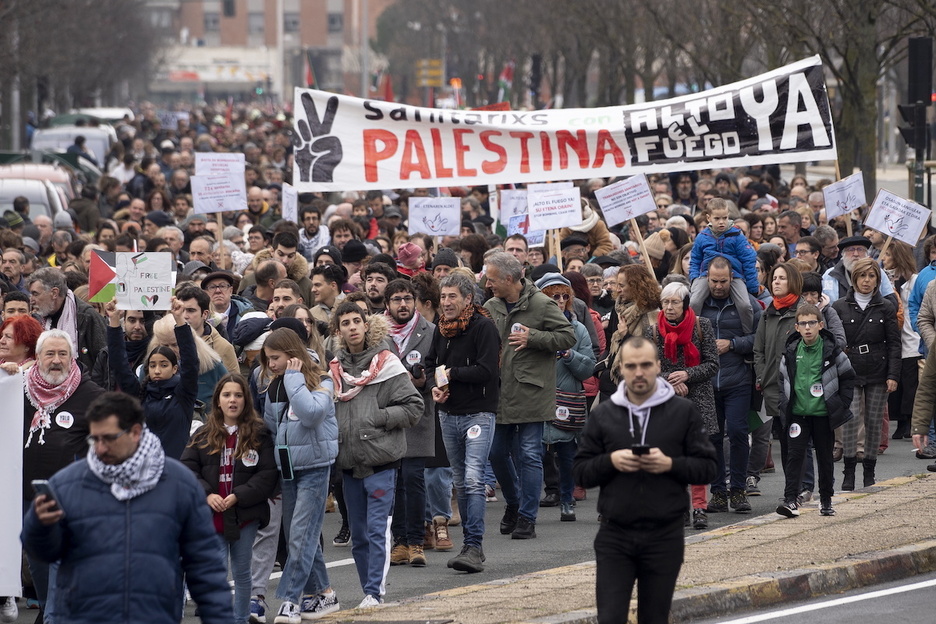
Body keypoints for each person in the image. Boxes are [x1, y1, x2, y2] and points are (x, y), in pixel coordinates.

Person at [21, 392, 234, 623]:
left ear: (135, 432)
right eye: (94, 439)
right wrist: (39, 526)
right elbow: (45, 553)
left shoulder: (179, 484)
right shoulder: (68, 484)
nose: (100, 448)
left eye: (109, 438)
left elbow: (204, 567)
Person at [573, 337, 717, 624]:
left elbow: (708, 467)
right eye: (631, 366)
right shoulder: (603, 414)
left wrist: (669, 464)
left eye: (646, 365)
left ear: (658, 367)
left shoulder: (682, 412)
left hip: (664, 534)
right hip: (615, 534)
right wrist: (610, 461)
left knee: (654, 617)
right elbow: (580, 472)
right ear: (621, 370)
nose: (639, 372)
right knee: (610, 617)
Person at [329, 302, 423, 607]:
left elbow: (414, 407)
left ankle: (374, 593)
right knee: (358, 535)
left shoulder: (387, 363)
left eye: (357, 321)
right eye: (346, 323)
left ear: (366, 325)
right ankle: (366, 590)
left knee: (377, 528)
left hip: (381, 459)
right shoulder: (334, 370)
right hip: (347, 461)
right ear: (338, 330)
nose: (353, 327)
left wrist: (378, 417)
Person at [483, 252, 576, 540]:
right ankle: (514, 502)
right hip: (499, 392)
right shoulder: (490, 306)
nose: (488, 284)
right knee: (496, 452)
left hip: (532, 391)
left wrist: (533, 338)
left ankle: (527, 517)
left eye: (492, 279)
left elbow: (568, 336)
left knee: (529, 455)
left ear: (510, 279)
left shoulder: (541, 304)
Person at [181, 374, 279, 624]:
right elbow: (188, 469)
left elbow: (267, 475)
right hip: (211, 515)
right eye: (226, 395)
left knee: (242, 570)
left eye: (238, 395)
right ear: (217, 401)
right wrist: (208, 495)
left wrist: (238, 496)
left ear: (246, 400)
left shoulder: (259, 435)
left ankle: (240, 618)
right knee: (214, 572)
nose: (232, 400)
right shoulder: (203, 434)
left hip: (244, 515)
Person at [21, 329, 105, 619]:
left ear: (72, 358)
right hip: (25, 496)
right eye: (50, 354)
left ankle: (54, 616)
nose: (56, 361)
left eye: (62, 354)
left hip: (70, 499)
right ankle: (47, 609)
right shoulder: (18, 388)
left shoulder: (91, 394)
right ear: (37, 357)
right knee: (37, 562)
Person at [259, 328, 341, 622]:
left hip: (316, 468)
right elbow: (271, 428)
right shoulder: (273, 386)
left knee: (301, 536)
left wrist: (293, 379)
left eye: (276, 358)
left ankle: (291, 600)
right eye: (268, 359)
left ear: (292, 356)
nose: (271, 365)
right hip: (288, 469)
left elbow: (310, 414)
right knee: (299, 536)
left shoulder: (322, 380)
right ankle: (324, 594)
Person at [425, 272, 500, 572]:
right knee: (459, 481)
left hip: (479, 413)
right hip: (448, 414)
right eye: (443, 297)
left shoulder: (484, 327)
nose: (446, 302)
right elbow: (431, 364)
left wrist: (452, 374)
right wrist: (435, 384)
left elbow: (486, 370)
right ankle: (472, 546)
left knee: (472, 479)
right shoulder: (440, 330)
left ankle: (473, 545)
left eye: (452, 296)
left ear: (468, 298)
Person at [647, 281, 719, 529]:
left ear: (685, 304)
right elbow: (647, 370)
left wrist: (687, 375)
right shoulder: (653, 331)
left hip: (698, 398)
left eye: (674, 302)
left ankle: (699, 507)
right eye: (665, 302)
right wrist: (670, 379)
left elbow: (712, 364)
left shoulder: (702, 326)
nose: (668, 307)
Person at [776, 305, 855, 518]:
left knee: (825, 458)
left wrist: (840, 405)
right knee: (794, 456)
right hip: (798, 414)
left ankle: (826, 500)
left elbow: (848, 377)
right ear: (797, 327)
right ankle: (791, 500)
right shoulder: (791, 351)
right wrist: (785, 406)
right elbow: (781, 379)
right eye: (803, 323)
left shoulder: (832, 350)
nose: (808, 328)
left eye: (812, 323)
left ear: (821, 325)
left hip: (823, 415)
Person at [698, 256, 762, 513]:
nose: (718, 286)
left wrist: (732, 344)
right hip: (707, 382)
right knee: (712, 437)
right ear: (706, 278)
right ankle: (718, 492)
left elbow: (760, 338)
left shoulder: (747, 306)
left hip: (738, 379)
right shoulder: (700, 305)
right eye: (714, 281)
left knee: (737, 432)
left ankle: (738, 490)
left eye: (724, 281)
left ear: (732, 278)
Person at [830, 258, 900, 489]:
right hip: (851, 369)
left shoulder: (886, 306)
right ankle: (849, 471)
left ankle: (869, 470)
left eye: (871, 276)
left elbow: (893, 343)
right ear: (854, 278)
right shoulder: (840, 306)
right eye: (862, 276)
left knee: (873, 422)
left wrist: (893, 375)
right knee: (850, 420)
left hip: (878, 370)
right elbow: (835, 343)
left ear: (878, 280)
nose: (866, 281)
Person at [383, 279, 437, 568]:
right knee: (395, 483)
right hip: (389, 417)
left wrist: (424, 382)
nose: (402, 304)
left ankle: (417, 541)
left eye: (407, 298)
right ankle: (400, 542)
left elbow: (439, 370)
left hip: (419, 415)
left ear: (415, 301)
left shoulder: (431, 331)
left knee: (414, 480)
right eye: (396, 299)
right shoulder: (377, 334)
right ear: (387, 304)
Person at [534, 272, 595, 522]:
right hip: (538, 398)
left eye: (564, 296)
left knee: (568, 454)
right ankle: (533, 502)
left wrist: (570, 356)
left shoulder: (578, 330)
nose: (560, 300)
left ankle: (567, 499)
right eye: (553, 296)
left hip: (567, 400)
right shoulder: (534, 328)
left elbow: (588, 368)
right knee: (535, 454)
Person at [106, 297, 199, 459]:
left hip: (175, 468)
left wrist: (179, 320)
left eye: (163, 365)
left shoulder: (184, 394)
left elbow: (191, 362)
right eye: (153, 365)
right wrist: (114, 321)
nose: (157, 370)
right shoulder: (141, 394)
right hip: (143, 467)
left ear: (175, 368)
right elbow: (119, 365)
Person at [754, 262, 803, 492]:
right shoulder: (768, 312)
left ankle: (805, 487)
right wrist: (763, 376)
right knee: (784, 440)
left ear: (792, 281)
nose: (776, 282)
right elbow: (759, 349)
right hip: (774, 386)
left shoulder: (803, 311)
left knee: (799, 440)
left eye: (782, 278)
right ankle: (790, 491)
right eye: (774, 278)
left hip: (800, 387)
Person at [688, 198, 758, 334]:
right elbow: (695, 260)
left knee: (745, 305)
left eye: (725, 218)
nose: (721, 222)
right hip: (705, 275)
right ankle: (692, 333)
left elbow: (748, 259)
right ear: (708, 218)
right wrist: (694, 278)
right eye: (717, 218)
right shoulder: (702, 237)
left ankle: (748, 332)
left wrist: (752, 286)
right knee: (694, 302)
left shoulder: (737, 236)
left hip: (734, 276)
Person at [597, 264, 661, 402]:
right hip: (612, 383)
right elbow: (609, 345)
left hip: (637, 384)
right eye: (617, 284)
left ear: (636, 286)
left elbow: (653, 350)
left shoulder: (652, 313)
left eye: (622, 285)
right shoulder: (618, 308)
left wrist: (626, 336)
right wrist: (602, 371)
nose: (618, 290)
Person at [27, 267, 107, 373]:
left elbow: (104, 359)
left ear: (54, 293)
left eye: (35, 294)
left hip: (83, 384)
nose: (31, 300)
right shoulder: (37, 318)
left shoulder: (87, 316)